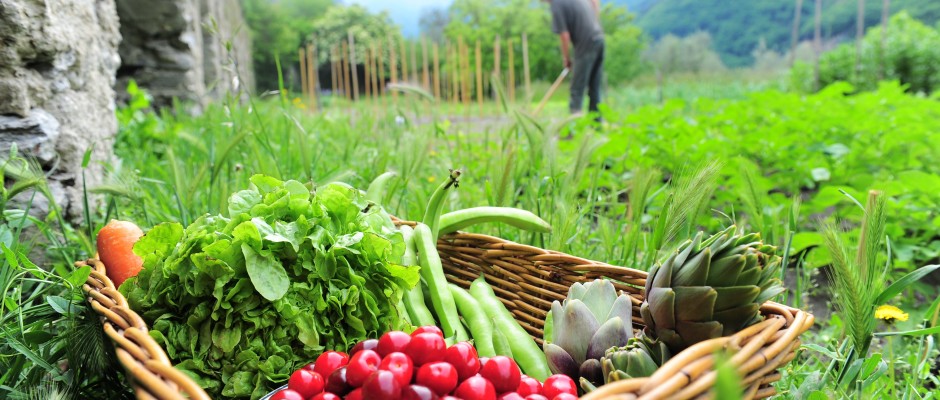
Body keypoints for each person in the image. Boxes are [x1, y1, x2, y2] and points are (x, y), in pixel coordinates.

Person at [544, 0, 604, 117]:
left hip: (585, 43)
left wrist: (566, 58)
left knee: (577, 89)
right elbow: (595, 2)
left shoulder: (557, 4)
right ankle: (597, 125)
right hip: (599, 38)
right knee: (594, 87)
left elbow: (564, 35)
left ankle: (574, 127)